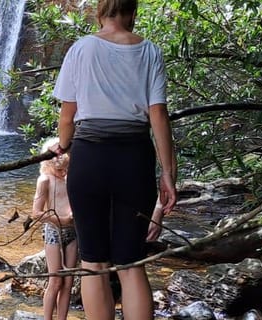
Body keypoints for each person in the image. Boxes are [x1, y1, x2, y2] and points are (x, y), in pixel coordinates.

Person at [49, 1, 178, 319]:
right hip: (134, 158)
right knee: (131, 263)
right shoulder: (150, 51)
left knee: (93, 263)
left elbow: (68, 115)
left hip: (90, 158)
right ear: (132, 12)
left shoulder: (80, 49)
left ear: (100, 11)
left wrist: (63, 145)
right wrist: (168, 174)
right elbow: (158, 115)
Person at [32, 138, 77, 320]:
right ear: (48, 163)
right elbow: (36, 213)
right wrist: (61, 219)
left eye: (66, 168)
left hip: (72, 233)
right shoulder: (45, 180)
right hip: (53, 232)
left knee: (68, 281)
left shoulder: (70, 178)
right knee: (55, 280)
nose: (63, 172)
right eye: (60, 169)